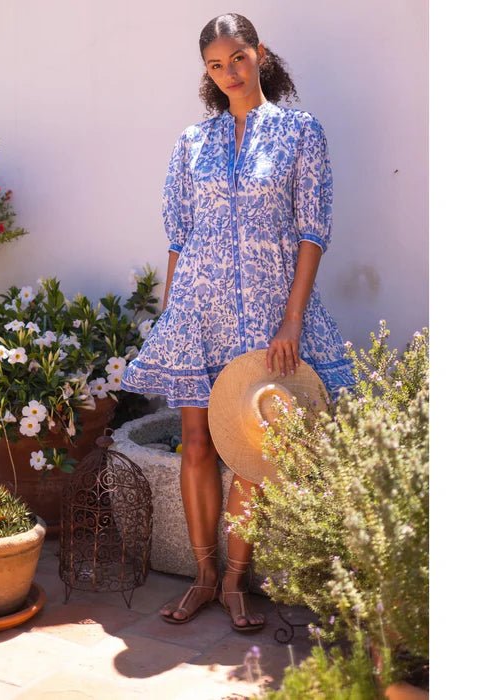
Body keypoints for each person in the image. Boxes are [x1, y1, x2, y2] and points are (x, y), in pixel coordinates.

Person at [120, 13, 355, 632]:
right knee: (197, 442)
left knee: (256, 447)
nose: (229, 73)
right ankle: (203, 575)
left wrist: (292, 321)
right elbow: (179, 237)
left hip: (270, 315)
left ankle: (233, 582)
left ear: (260, 55)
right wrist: (172, 317)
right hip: (199, 312)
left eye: (238, 59)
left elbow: (312, 231)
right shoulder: (192, 142)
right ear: (207, 71)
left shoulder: (300, 132)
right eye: (216, 65)